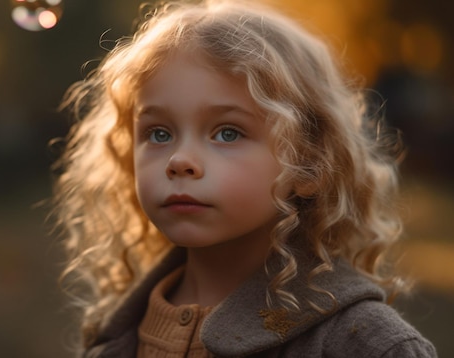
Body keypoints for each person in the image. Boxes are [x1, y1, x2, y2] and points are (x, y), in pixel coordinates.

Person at [51, 0, 437, 356]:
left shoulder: (367, 343)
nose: (179, 160)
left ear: (310, 165)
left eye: (227, 133)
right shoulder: (114, 333)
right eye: (159, 133)